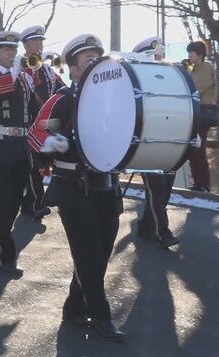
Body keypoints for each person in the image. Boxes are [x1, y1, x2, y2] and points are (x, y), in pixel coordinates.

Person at [27, 34, 125, 341]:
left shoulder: (115, 102)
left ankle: (73, 307)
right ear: (73, 69)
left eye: (98, 58)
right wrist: (54, 146)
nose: (95, 64)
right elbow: (35, 139)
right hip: (73, 188)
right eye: (87, 60)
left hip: (107, 187)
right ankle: (101, 315)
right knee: (88, 255)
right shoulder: (62, 100)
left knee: (100, 253)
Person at [0, 30, 38, 276]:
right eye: (6, 50)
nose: (12, 54)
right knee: (2, 201)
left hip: (20, 146)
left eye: (13, 50)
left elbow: (33, 109)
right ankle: (6, 255)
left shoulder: (22, 78)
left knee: (13, 201)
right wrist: (14, 75)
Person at [132, 37, 180, 248]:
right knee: (157, 190)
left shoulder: (170, 81)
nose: (160, 57)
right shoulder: (138, 85)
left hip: (170, 142)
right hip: (148, 144)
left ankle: (145, 226)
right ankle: (163, 232)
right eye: (155, 54)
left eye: (161, 53)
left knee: (165, 190)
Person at [19, 25, 61, 221]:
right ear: (26, 45)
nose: (38, 45)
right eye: (34, 42)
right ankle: (34, 204)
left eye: (40, 42)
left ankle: (33, 202)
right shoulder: (21, 66)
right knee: (33, 167)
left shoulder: (47, 69)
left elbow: (61, 89)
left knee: (43, 164)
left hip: (48, 122)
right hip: (30, 124)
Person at [186, 40, 217, 192]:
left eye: (191, 53)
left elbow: (197, 87)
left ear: (199, 54)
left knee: (199, 147)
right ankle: (198, 182)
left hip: (203, 111)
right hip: (194, 112)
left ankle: (204, 184)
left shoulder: (207, 67)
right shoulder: (193, 69)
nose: (189, 56)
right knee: (193, 147)